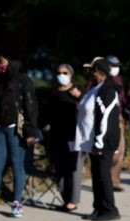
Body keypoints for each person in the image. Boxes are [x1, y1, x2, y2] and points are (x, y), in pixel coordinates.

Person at [0, 54, 38, 218]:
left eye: (2, 62)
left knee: (17, 164)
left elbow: (30, 105)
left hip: (16, 128)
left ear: (12, 64)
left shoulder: (23, 80)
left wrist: (30, 130)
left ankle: (17, 203)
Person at [75, 58, 121, 221]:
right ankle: (99, 207)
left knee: (103, 175)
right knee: (96, 175)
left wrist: (100, 142)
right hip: (93, 141)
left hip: (103, 141)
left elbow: (106, 118)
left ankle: (110, 210)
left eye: (92, 71)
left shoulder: (108, 89)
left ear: (99, 72)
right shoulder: (97, 88)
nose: (90, 74)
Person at [46, 63, 83, 211]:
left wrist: (79, 96)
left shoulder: (78, 90)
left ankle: (73, 201)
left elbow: (90, 106)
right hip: (57, 136)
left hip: (74, 136)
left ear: (71, 74)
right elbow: (47, 114)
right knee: (60, 170)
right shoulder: (54, 94)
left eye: (65, 73)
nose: (61, 75)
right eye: (59, 73)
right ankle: (66, 199)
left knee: (74, 170)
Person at [106, 55, 126, 192]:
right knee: (105, 152)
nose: (115, 69)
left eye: (117, 66)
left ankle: (114, 181)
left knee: (120, 150)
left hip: (117, 117)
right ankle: (105, 181)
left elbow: (123, 99)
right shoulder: (98, 80)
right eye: (112, 66)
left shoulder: (118, 80)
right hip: (104, 118)